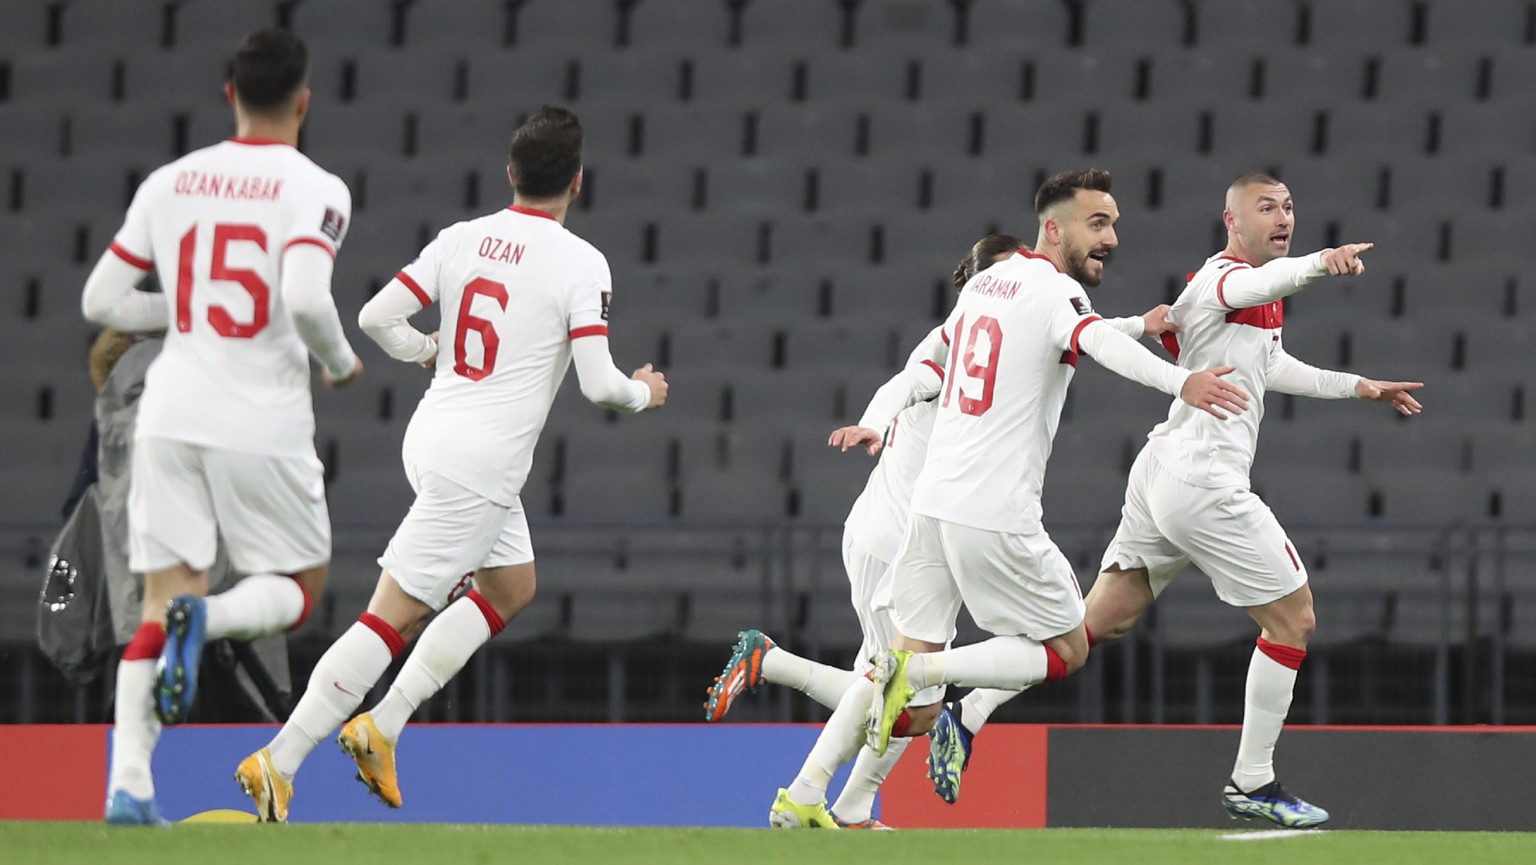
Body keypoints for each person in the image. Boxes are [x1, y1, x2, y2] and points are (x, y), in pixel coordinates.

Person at [768, 168, 1251, 828]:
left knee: (896, 670)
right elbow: (1090, 338)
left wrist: (1141, 321)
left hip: (932, 509)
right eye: (1097, 223)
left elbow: (1024, 340)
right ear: (1053, 229)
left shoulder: (981, 290)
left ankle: (804, 792)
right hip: (994, 510)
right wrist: (1181, 381)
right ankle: (927, 674)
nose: (1111, 237)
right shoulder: (1054, 291)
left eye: (1113, 223)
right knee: (1065, 648)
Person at [234, 105, 668, 822]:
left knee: (510, 584)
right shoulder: (581, 262)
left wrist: (426, 349)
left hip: (431, 435)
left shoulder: (462, 238)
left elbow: (375, 316)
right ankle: (281, 758)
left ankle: (384, 725)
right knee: (390, 617)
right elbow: (598, 383)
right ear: (578, 182)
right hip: (482, 466)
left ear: (511, 174)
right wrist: (645, 394)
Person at [706, 235, 1176, 827]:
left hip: (928, 532)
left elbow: (1078, 330)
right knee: (900, 692)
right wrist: (873, 423)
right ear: (983, 282)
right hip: (899, 537)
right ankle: (799, 772)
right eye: (1012, 274)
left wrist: (1137, 323)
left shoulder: (1003, 340)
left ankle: (843, 799)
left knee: (900, 694)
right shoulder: (960, 343)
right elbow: (905, 382)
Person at [80, 29, 361, 826]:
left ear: (229, 95)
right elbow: (306, 298)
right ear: (303, 102)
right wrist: (338, 361)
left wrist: (184, 310)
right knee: (297, 591)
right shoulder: (317, 187)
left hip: (168, 412)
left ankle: (128, 784)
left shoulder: (171, 182)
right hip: (261, 420)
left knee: (156, 601)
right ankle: (209, 619)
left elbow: (101, 301)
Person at [1080, 173, 1418, 827]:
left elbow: (1273, 365)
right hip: (1203, 482)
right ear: (1232, 221)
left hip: (1163, 470)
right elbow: (1261, 284)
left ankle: (961, 699)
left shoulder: (1246, 293)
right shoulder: (1223, 280)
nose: (1283, 215)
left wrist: (1360, 387)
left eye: (1290, 205)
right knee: (1294, 621)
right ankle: (1252, 781)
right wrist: (1321, 263)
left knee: (1093, 627)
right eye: (1267, 207)